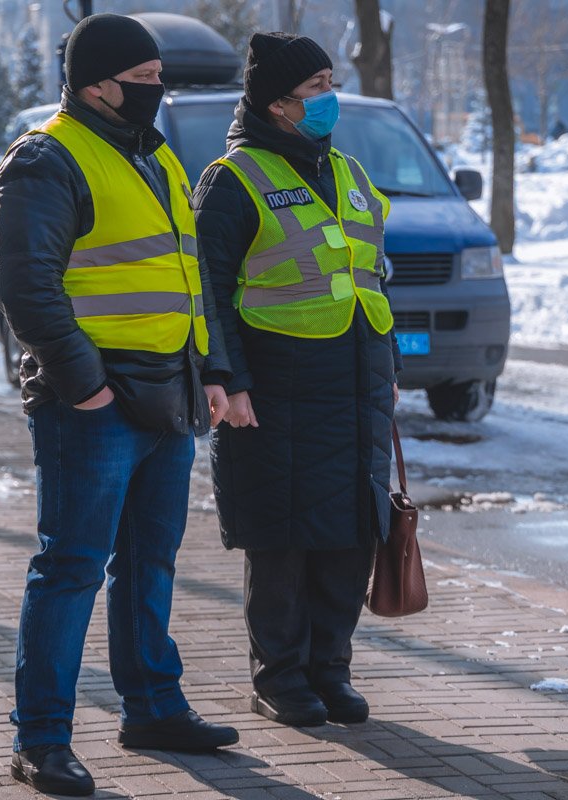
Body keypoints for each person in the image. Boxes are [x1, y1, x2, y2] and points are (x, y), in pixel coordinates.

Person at [0, 13, 238, 797]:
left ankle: (154, 708)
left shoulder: (153, 156)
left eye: (159, 79)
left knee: (148, 563)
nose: (156, 91)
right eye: (144, 81)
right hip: (93, 403)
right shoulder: (46, 158)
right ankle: (41, 741)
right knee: (70, 569)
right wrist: (85, 386)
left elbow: (185, 277)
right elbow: (26, 287)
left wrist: (206, 368)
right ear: (96, 84)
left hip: (166, 394)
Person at [193, 32, 402, 728]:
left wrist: (387, 368)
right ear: (277, 104)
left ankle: (329, 670)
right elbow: (209, 293)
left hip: (353, 381)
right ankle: (280, 678)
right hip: (276, 385)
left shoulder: (346, 170)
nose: (328, 98)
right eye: (314, 88)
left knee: (348, 535)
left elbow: (368, 274)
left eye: (328, 82)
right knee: (281, 537)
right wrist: (227, 377)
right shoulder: (234, 178)